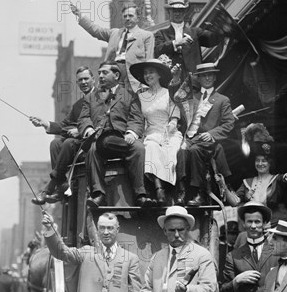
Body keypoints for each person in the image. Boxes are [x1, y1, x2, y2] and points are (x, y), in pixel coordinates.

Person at [78, 61, 155, 208]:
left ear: (117, 75)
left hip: (121, 138)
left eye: (104, 72)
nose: (100, 76)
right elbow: (83, 118)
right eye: (99, 72)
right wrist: (88, 130)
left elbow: (136, 118)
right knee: (92, 150)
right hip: (99, 138)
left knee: (138, 148)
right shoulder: (91, 97)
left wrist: (131, 133)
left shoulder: (129, 95)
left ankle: (140, 194)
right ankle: (98, 194)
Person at [171, 62, 235, 206]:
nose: (207, 78)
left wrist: (212, 134)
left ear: (214, 77)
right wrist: (175, 79)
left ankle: (199, 193)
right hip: (188, 136)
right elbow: (175, 99)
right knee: (180, 151)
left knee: (194, 151)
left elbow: (228, 123)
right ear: (198, 79)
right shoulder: (191, 97)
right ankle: (182, 192)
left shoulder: (222, 100)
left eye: (210, 75)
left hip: (205, 139)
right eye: (203, 76)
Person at [29, 67, 95, 204]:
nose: (83, 82)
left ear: (93, 80)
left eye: (86, 79)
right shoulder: (78, 105)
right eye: (80, 80)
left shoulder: (102, 98)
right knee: (55, 144)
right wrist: (45, 123)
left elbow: (103, 121)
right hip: (79, 144)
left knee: (67, 142)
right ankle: (62, 186)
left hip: (94, 142)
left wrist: (81, 130)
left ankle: (50, 188)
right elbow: (65, 124)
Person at [130, 58, 183, 205]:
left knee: (172, 150)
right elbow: (138, 118)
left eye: (151, 72)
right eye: (145, 73)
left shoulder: (168, 93)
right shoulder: (141, 96)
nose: (148, 76)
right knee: (151, 147)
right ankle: (159, 188)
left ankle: (172, 190)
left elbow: (174, 115)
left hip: (169, 132)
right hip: (151, 132)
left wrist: (172, 124)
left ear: (159, 75)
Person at [236, 125, 287, 223]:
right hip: (253, 227)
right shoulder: (246, 183)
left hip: (273, 226)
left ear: (270, 163)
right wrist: (224, 186)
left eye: (264, 161)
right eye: (257, 161)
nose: (260, 164)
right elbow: (235, 201)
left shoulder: (276, 179)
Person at [72, 3, 153, 92]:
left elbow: (149, 61)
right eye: (125, 16)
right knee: (112, 101)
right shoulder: (115, 33)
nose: (127, 18)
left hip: (133, 76)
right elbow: (96, 31)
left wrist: (146, 83)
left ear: (138, 18)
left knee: (132, 103)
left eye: (130, 15)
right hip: (113, 73)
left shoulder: (146, 36)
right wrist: (80, 15)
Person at [154, 0, 222, 83]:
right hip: (171, 79)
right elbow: (157, 51)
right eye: (174, 11)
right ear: (168, 12)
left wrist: (222, 26)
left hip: (193, 79)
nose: (177, 14)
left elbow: (213, 40)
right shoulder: (161, 33)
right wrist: (176, 43)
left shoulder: (195, 32)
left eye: (180, 11)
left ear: (185, 12)